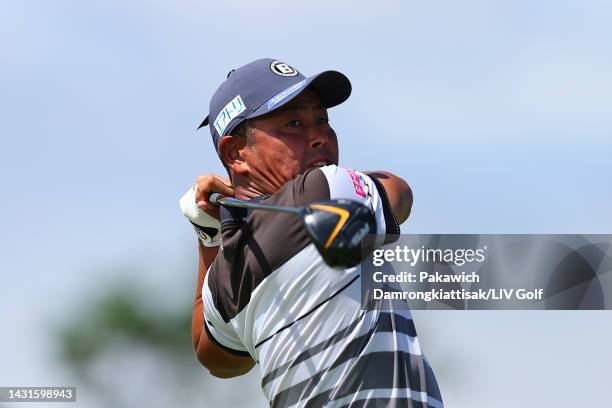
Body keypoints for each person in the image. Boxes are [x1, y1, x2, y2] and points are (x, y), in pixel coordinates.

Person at [180, 58, 443, 407]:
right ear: (235, 152)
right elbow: (400, 193)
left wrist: (209, 236)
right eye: (294, 123)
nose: (319, 136)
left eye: (322, 120)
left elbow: (212, 354)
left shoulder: (226, 275)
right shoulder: (327, 188)